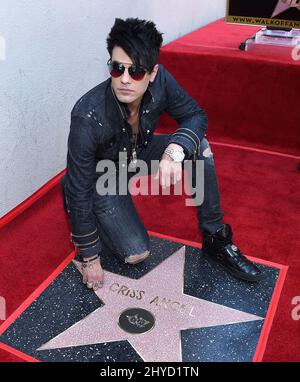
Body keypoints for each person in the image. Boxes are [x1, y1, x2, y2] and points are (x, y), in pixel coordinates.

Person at [60, 18, 262, 291]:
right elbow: (79, 185)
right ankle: (98, 214)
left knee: (198, 146)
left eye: (137, 72)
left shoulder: (162, 81)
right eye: (117, 68)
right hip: (102, 175)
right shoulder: (87, 115)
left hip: (138, 153)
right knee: (136, 254)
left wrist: (174, 151)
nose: (125, 80)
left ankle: (215, 237)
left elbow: (194, 115)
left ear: (153, 73)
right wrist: (89, 254)